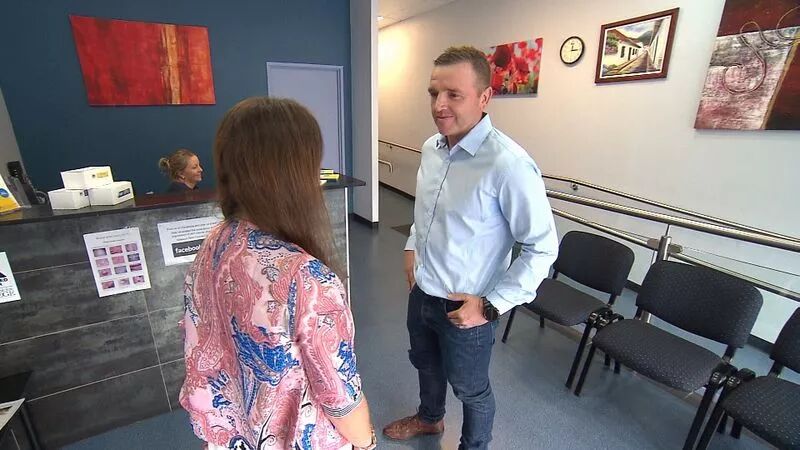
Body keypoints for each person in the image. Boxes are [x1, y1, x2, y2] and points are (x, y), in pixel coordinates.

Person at [382, 46, 559, 449]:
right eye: (433, 93)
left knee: (471, 390)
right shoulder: (432, 148)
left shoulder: (508, 164)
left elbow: (542, 247)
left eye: (453, 95)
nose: (439, 105)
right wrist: (411, 246)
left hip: (467, 308)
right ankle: (430, 419)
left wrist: (491, 305)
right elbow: (428, 211)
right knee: (425, 363)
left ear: (484, 98)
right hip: (423, 290)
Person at [180, 97, 376, 450]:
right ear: (293, 176)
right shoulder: (308, 280)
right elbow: (340, 398)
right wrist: (367, 442)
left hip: (232, 436)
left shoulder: (217, 242)